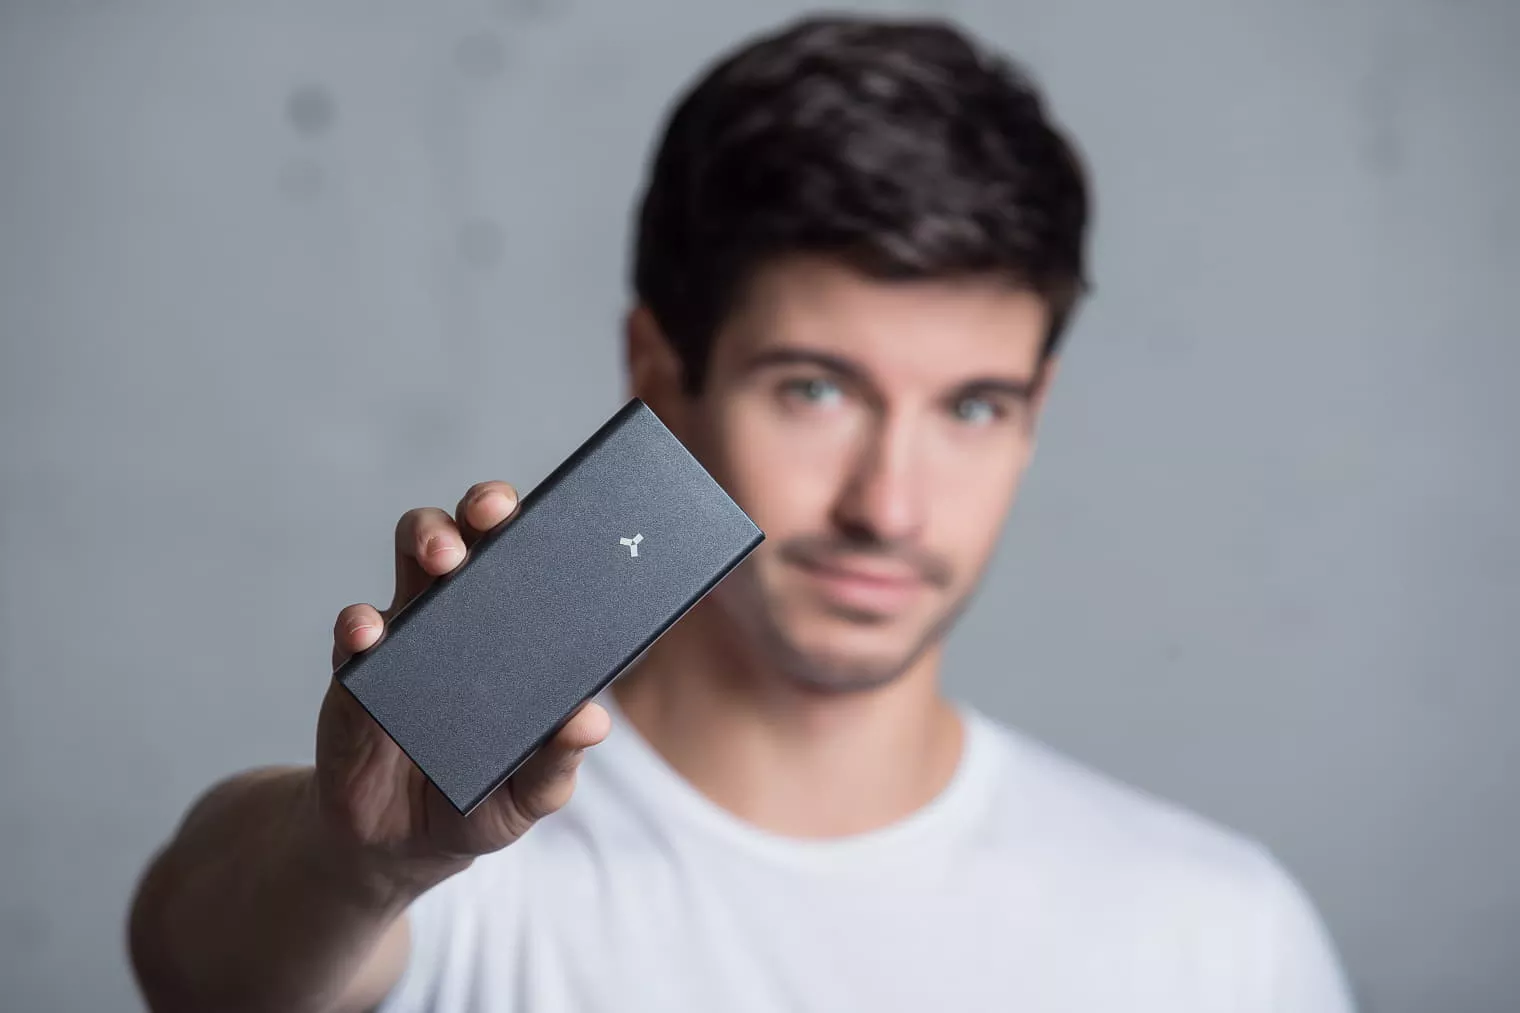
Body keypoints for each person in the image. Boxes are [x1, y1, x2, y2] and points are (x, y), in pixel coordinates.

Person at [127, 14, 1356, 1013]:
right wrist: (358, 861)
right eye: (814, 389)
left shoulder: (1217, 934)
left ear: (1033, 413)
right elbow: (201, 967)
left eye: (973, 406)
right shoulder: (451, 865)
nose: (887, 505)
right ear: (659, 374)